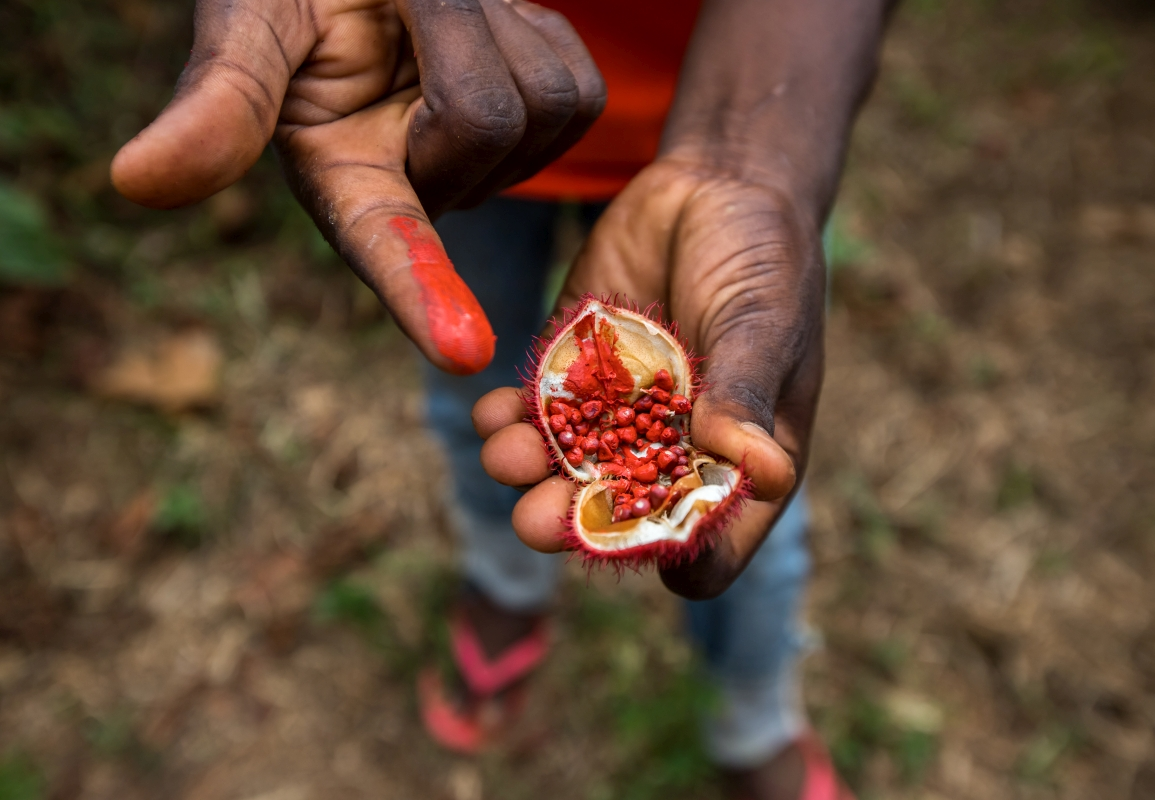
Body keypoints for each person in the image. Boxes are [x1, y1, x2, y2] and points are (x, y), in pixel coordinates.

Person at [110, 1, 895, 797]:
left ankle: (755, 710)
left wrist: (750, 160)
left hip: (761, 87)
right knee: (473, 394)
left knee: (759, 462)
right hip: (447, 106)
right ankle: (506, 585)